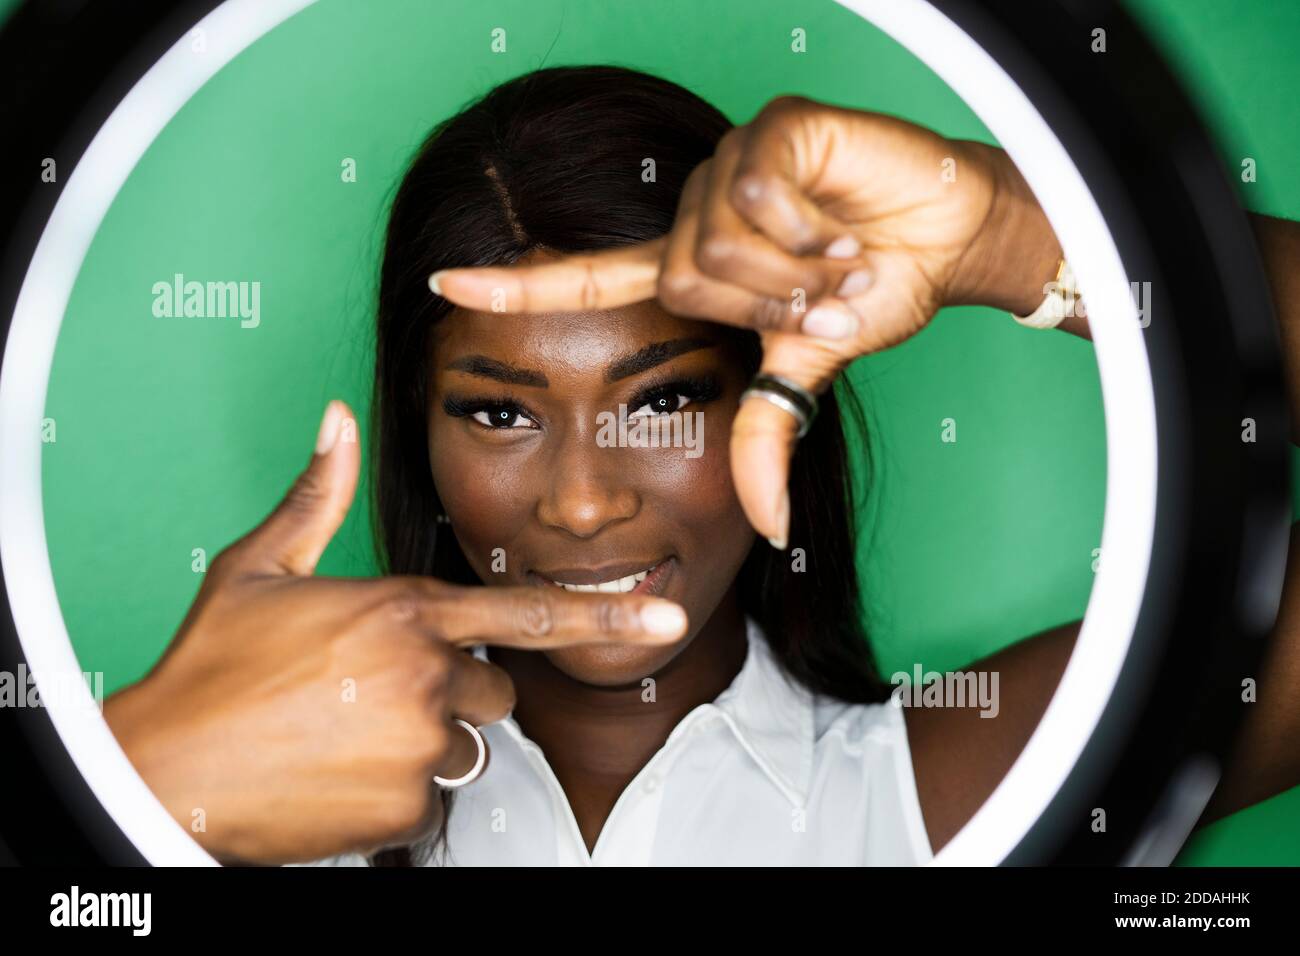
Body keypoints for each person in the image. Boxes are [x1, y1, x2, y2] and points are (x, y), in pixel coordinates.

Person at [104, 65, 1300, 866]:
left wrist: (1013, 236)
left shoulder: (953, 795)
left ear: (781, 404)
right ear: (417, 433)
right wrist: (150, 780)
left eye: (664, 398)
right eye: (499, 413)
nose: (581, 498)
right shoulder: (232, 822)